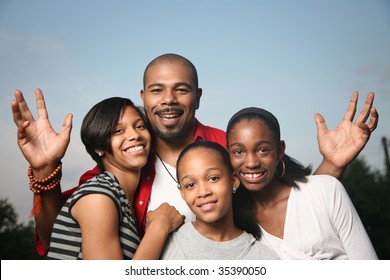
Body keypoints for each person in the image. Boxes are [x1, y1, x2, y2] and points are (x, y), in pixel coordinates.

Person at [11, 53, 378, 256]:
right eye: (157, 90)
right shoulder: (121, 167)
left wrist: (333, 164)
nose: (168, 99)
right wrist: (44, 171)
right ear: (143, 98)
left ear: (198, 97)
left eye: (181, 89)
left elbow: (287, 205)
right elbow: (58, 237)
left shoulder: (227, 147)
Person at [226, 107, 378, 259]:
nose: (251, 163)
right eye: (238, 152)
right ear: (229, 156)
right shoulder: (234, 223)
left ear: (280, 151)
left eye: (263, 150)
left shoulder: (327, 190)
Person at [45, 97, 183, 259]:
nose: (135, 135)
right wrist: (160, 226)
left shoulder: (118, 197)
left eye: (140, 126)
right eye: (118, 131)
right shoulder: (98, 197)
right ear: (98, 146)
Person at [160, 140, 279, 259]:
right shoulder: (163, 245)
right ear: (182, 193)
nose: (203, 192)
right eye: (190, 185)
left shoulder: (265, 257)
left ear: (234, 181)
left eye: (213, 178)